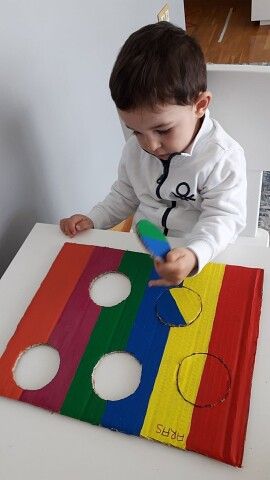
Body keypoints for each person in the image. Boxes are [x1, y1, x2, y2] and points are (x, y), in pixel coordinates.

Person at [60, 21, 246, 288]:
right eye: (135, 131)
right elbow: (124, 194)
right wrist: (95, 218)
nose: (150, 145)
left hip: (200, 255)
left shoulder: (223, 157)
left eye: (163, 130)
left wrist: (195, 254)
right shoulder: (136, 149)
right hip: (142, 249)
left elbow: (225, 218)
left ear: (200, 105)